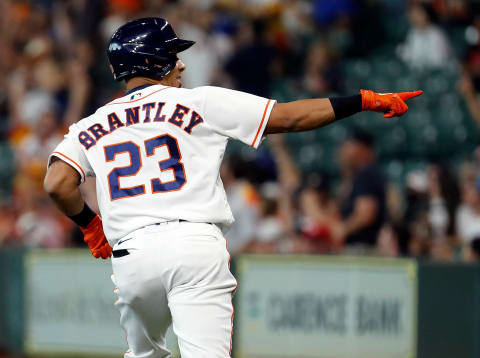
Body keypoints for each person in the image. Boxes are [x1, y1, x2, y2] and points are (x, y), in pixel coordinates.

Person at [43, 17, 422, 358]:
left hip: (132, 257)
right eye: (172, 55)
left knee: (144, 356)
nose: (181, 63)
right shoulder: (198, 101)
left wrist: (90, 225)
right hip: (194, 247)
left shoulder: (91, 125)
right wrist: (360, 100)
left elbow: (57, 183)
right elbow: (289, 118)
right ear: (152, 61)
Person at [336, 130, 386, 255]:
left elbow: (366, 214)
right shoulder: (361, 174)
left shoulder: (366, 174)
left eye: (351, 146)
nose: (345, 151)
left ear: (363, 149)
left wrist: (342, 230)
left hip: (363, 249)